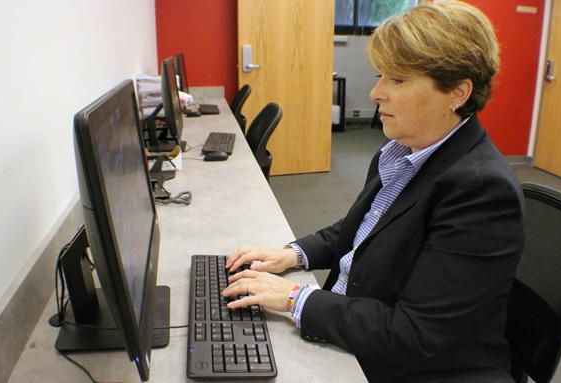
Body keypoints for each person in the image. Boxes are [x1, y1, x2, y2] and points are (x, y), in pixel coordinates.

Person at [222, 2, 525, 382]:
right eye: (381, 75)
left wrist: (292, 298)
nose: (376, 92)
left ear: (457, 92)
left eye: (397, 80)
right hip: (358, 324)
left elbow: (413, 333)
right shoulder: (404, 149)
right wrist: (291, 255)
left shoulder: (481, 191)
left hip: (414, 366)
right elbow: (364, 228)